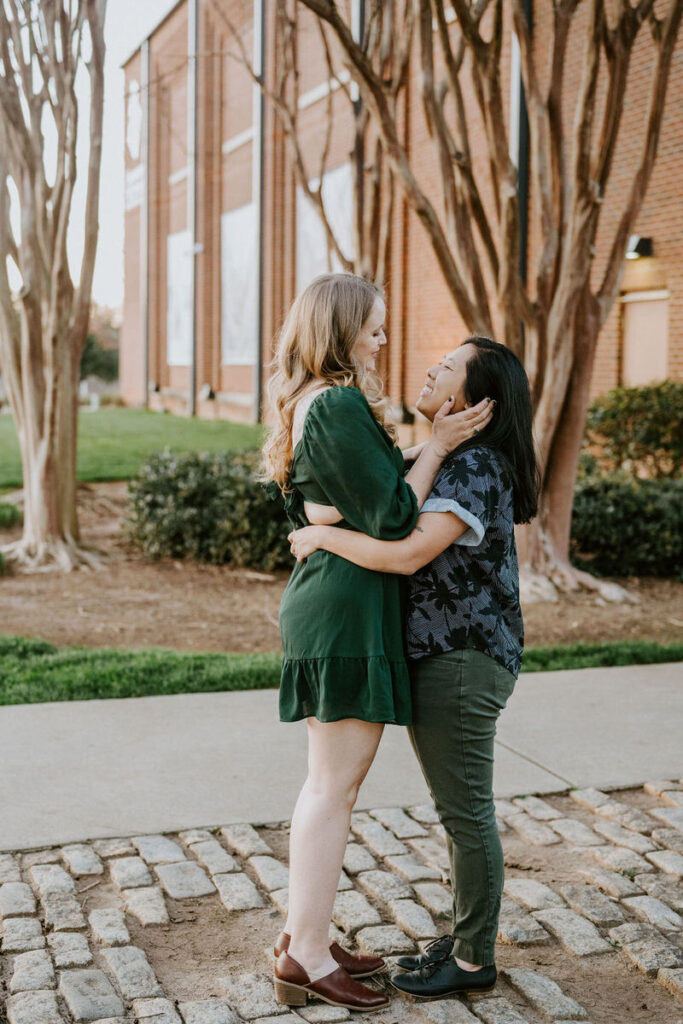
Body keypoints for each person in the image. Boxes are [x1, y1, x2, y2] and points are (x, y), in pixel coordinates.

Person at [261, 274, 493, 1013]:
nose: (384, 341)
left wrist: (335, 516)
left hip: (343, 597)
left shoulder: (318, 403)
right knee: (333, 786)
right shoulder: (332, 403)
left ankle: (309, 938)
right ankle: (303, 953)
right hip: (344, 607)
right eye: (375, 329)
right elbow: (394, 518)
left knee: (331, 783)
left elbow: (358, 499)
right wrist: (435, 445)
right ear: (339, 330)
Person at [289, 336, 539, 1001]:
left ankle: (472, 957)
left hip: (462, 658)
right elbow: (363, 497)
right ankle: (463, 938)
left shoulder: (475, 465)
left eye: (446, 368)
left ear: (472, 400)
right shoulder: (450, 458)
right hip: (438, 655)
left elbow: (405, 552)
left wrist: (319, 537)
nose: (429, 369)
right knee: (454, 805)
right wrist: (327, 511)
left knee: (464, 810)